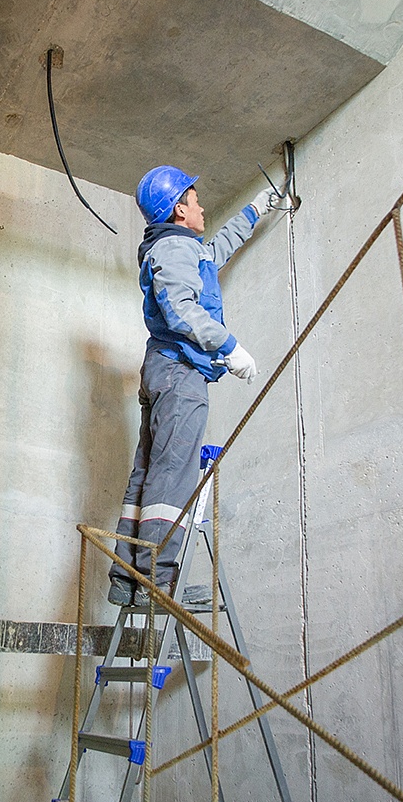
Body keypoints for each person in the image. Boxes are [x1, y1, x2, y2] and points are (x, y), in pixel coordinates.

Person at [108, 165, 285, 606]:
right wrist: (229, 346)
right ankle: (156, 579)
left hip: (165, 370)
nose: (202, 206)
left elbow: (216, 251)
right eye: (195, 199)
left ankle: (127, 578)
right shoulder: (172, 249)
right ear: (178, 210)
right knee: (173, 472)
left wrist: (256, 209)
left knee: (148, 473)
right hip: (179, 373)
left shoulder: (181, 248)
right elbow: (181, 310)